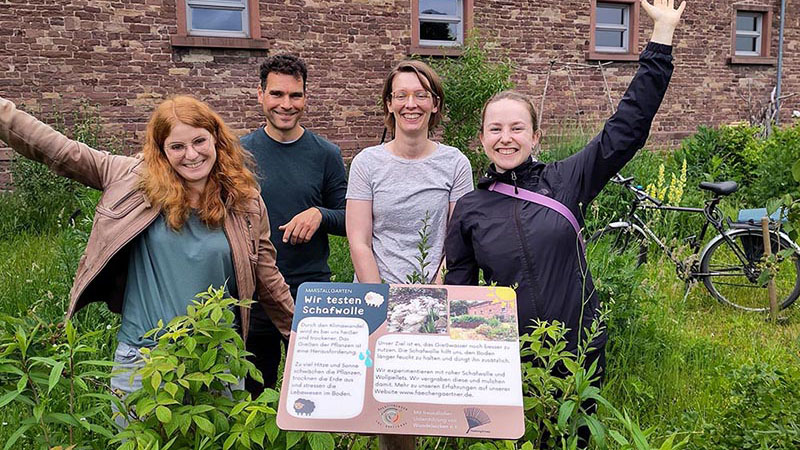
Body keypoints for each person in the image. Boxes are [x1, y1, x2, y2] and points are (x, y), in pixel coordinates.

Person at [0, 95, 295, 410]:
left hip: (217, 360)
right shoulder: (131, 179)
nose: (191, 155)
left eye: (199, 141)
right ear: (161, 150)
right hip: (144, 361)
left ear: (216, 139)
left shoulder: (244, 201)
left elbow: (268, 279)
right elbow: (58, 150)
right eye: (177, 146)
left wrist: (305, 338)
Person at [445, 0, 685, 385]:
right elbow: (460, 293)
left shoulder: (566, 180)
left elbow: (626, 129)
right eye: (495, 129)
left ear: (535, 136)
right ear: (482, 139)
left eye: (517, 128)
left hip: (577, 353)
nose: (506, 138)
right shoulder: (470, 209)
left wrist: (661, 38)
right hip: (513, 360)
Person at [240, 54, 347, 394]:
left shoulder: (326, 154)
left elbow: (349, 218)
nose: (286, 104)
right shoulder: (238, 154)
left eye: (295, 95)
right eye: (277, 94)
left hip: (310, 292)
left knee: (316, 393)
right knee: (255, 395)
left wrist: (320, 214)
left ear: (305, 97)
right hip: (254, 293)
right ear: (260, 94)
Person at [346, 60, 473, 286]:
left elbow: (458, 243)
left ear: (435, 103)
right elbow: (359, 242)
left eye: (421, 95)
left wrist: (432, 296)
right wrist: (378, 298)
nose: (411, 104)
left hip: (435, 292)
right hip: (375, 291)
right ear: (389, 103)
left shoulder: (456, 164)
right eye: (401, 95)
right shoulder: (366, 163)